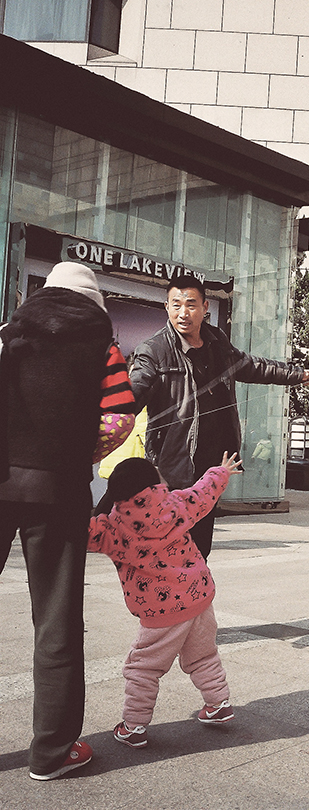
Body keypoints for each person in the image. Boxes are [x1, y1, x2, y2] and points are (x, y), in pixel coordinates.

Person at [0, 262, 113, 780]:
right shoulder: (103, 346)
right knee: (56, 618)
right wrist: (81, 451)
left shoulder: (10, 333)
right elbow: (119, 417)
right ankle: (52, 753)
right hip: (61, 489)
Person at [129, 273, 309, 559]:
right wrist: (113, 409)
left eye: (191, 304)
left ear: (205, 307)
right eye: (176, 305)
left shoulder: (217, 344)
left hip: (212, 469)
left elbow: (253, 367)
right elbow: (135, 390)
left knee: (200, 549)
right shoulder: (153, 351)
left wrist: (297, 375)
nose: (183, 313)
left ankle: (197, 587)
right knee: (168, 549)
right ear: (166, 307)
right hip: (173, 469)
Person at [87, 452, 242, 746]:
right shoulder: (176, 504)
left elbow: (82, 532)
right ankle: (219, 704)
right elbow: (203, 493)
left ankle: (134, 726)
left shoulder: (114, 529)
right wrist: (221, 472)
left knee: (143, 667)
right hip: (199, 597)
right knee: (203, 654)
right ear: (155, 485)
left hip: (161, 611)